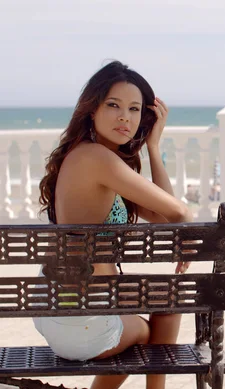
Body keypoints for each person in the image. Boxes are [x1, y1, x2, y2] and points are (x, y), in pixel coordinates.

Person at [36, 61, 193, 389]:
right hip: (83, 320)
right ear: (91, 109)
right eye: (113, 105)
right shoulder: (98, 159)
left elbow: (166, 218)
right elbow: (181, 214)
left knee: (165, 300)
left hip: (61, 312)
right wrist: (154, 148)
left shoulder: (92, 158)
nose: (125, 117)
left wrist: (152, 147)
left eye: (135, 109)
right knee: (155, 325)